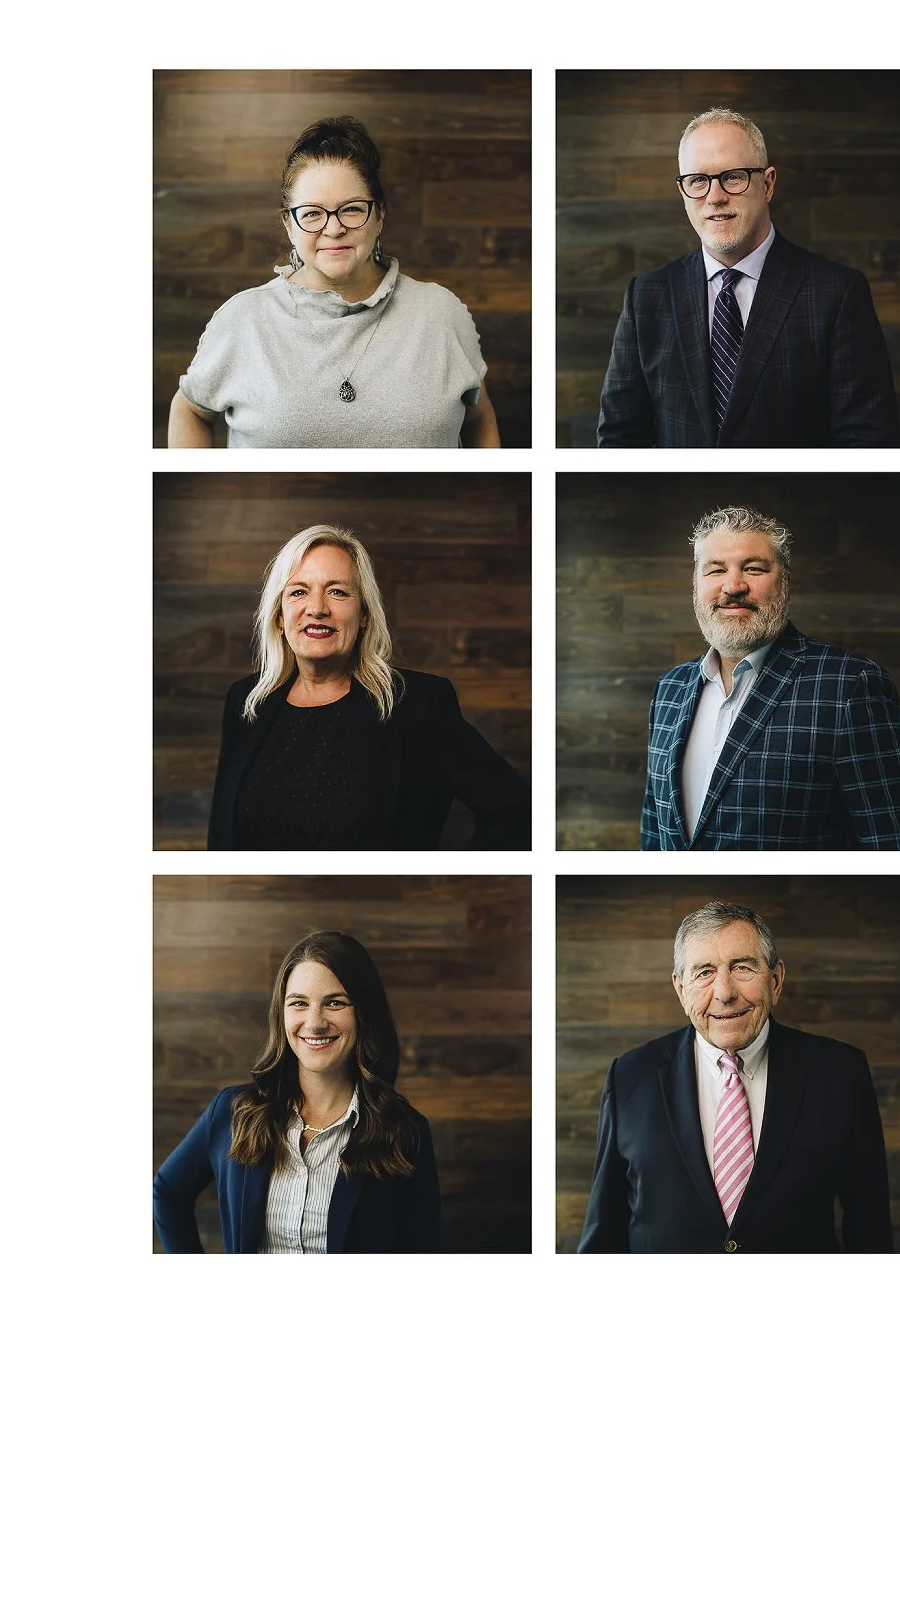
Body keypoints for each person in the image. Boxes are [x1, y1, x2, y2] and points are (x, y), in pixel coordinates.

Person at [169, 114, 502, 450]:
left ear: (380, 216)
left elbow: (479, 418)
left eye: (352, 209)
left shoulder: (441, 313)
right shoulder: (243, 319)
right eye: (312, 212)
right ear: (289, 225)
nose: (333, 229)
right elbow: (189, 409)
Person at [579, 902, 892, 1253]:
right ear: (681, 990)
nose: (725, 993)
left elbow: (871, 1227)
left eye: (742, 967)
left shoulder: (840, 1073)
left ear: (775, 980)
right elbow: (604, 1227)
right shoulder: (629, 1077)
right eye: (704, 973)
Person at [207, 522, 530, 849]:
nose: (317, 608)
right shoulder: (247, 701)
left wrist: (444, 887)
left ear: (363, 613)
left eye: (337, 591)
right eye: (298, 592)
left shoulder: (418, 703)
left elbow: (516, 814)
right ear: (279, 615)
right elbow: (222, 838)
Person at [596, 107, 900, 447]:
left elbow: (868, 443)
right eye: (698, 180)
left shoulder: (838, 293)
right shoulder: (645, 297)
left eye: (733, 176)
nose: (715, 196)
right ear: (683, 192)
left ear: (768, 184)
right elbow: (620, 441)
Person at [642, 506, 900, 850]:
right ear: (695, 584)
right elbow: (654, 834)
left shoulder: (851, 686)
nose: (733, 585)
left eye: (753, 568)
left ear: (785, 580)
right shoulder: (669, 689)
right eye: (716, 570)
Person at [154, 930, 441, 1253]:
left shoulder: (406, 1133)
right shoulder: (232, 1111)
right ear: (282, 1013)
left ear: (364, 1012)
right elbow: (167, 1192)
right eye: (299, 1004)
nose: (314, 1022)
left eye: (335, 1003)